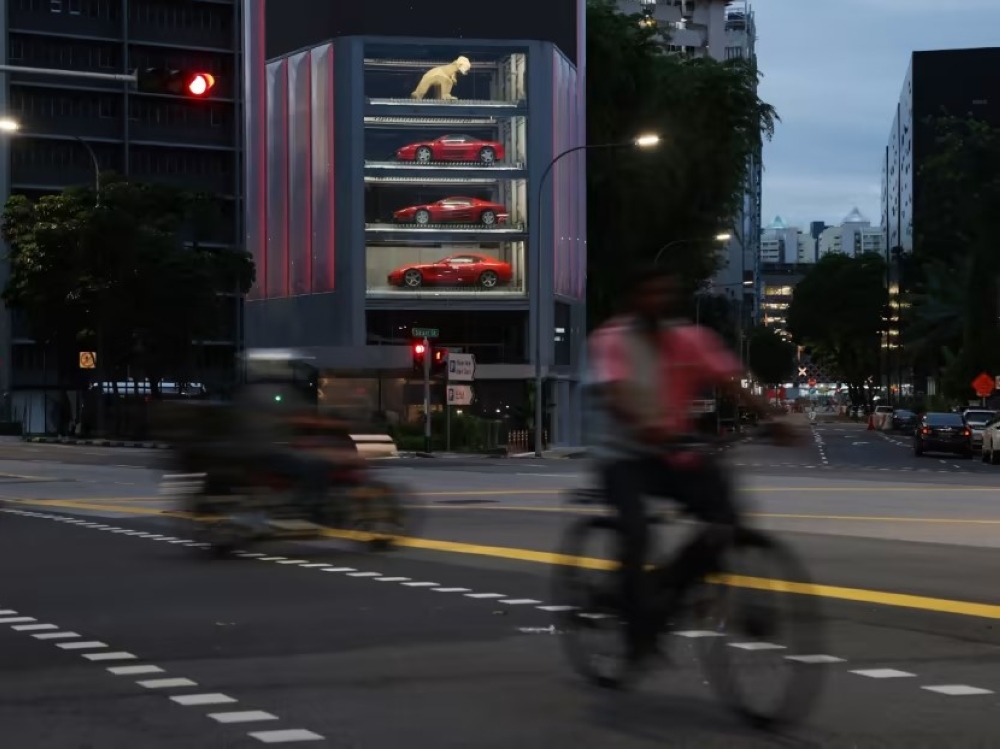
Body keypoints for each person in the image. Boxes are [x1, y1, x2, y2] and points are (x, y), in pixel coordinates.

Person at [586, 264, 799, 664]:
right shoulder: (612, 341)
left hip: (676, 452)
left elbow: (732, 381)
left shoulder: (689, 339)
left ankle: (672, 585)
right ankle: (636, 631)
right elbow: (614, 393)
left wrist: (773, 418)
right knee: (636, 536)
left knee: (726, 520)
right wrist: (644, 426)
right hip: (624, 457)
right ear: (633, 299)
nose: (657, 301)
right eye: (649, 293)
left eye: (664, 293)